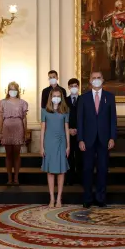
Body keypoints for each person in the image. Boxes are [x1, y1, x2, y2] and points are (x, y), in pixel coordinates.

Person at [77, 71, 117, 208]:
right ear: (90, 80)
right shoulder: (83, 98)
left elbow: (113, 119)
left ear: (103, 79)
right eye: (93, 78)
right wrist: (80, 139)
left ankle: (100, 198)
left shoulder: (109, 97)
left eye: (98, 77)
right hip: (87, 139)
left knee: (103, 169)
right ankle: (87, 198)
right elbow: (80, 120)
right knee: (87, 169)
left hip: (104, 139)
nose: (96, 80)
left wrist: (112, 137)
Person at [41, 88, 70, 207]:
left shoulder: (65, 111)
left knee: (61, 171)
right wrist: (41, 146)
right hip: (49, 142)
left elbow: (66, 129)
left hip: (61, 142)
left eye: (58, 96)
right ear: (51, 97)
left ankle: (59, 199)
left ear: (61, 98)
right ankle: (52, 198)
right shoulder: (44, 111)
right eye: (54, 96)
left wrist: (68, 146)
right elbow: (43, 130)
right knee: (50, 171)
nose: (56, 98)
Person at [0, 81, 28, 185]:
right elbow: (0, 118)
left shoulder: (23, 102)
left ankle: (16, 178)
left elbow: (24, 119)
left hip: (18, 127)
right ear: (8, 90)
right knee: (8, 154)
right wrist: (1, 131)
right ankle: (9, 178)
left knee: (17, 154)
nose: (13, 91)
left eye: (14, 89)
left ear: (17, 90)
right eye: (11, 89)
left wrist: (25, 132)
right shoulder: (2, 102)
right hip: (7, 127)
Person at [65, 78, 82, 185]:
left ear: (78, 87)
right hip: (67, 132)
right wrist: (68, 129)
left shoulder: (83, 100)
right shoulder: (64, 100)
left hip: (80, 133)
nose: (73, 88)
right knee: (69, 156)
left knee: (80, 157)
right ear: (68, 87)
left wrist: (79, 129)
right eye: (71, 86)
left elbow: (86, 117)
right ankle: (69, 179)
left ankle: (80, 179)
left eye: (75, 86)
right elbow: (62, 116)